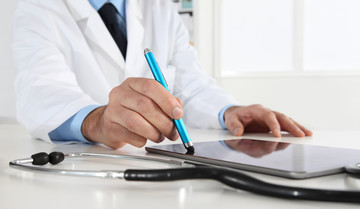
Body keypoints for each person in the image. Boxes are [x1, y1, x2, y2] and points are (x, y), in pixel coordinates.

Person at [12, 0, 312, 149]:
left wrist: (229, 111)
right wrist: (97, 121)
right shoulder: (38, 7)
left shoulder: (160, 7)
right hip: (76, 178)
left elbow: (190, 87)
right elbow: (40, 89)